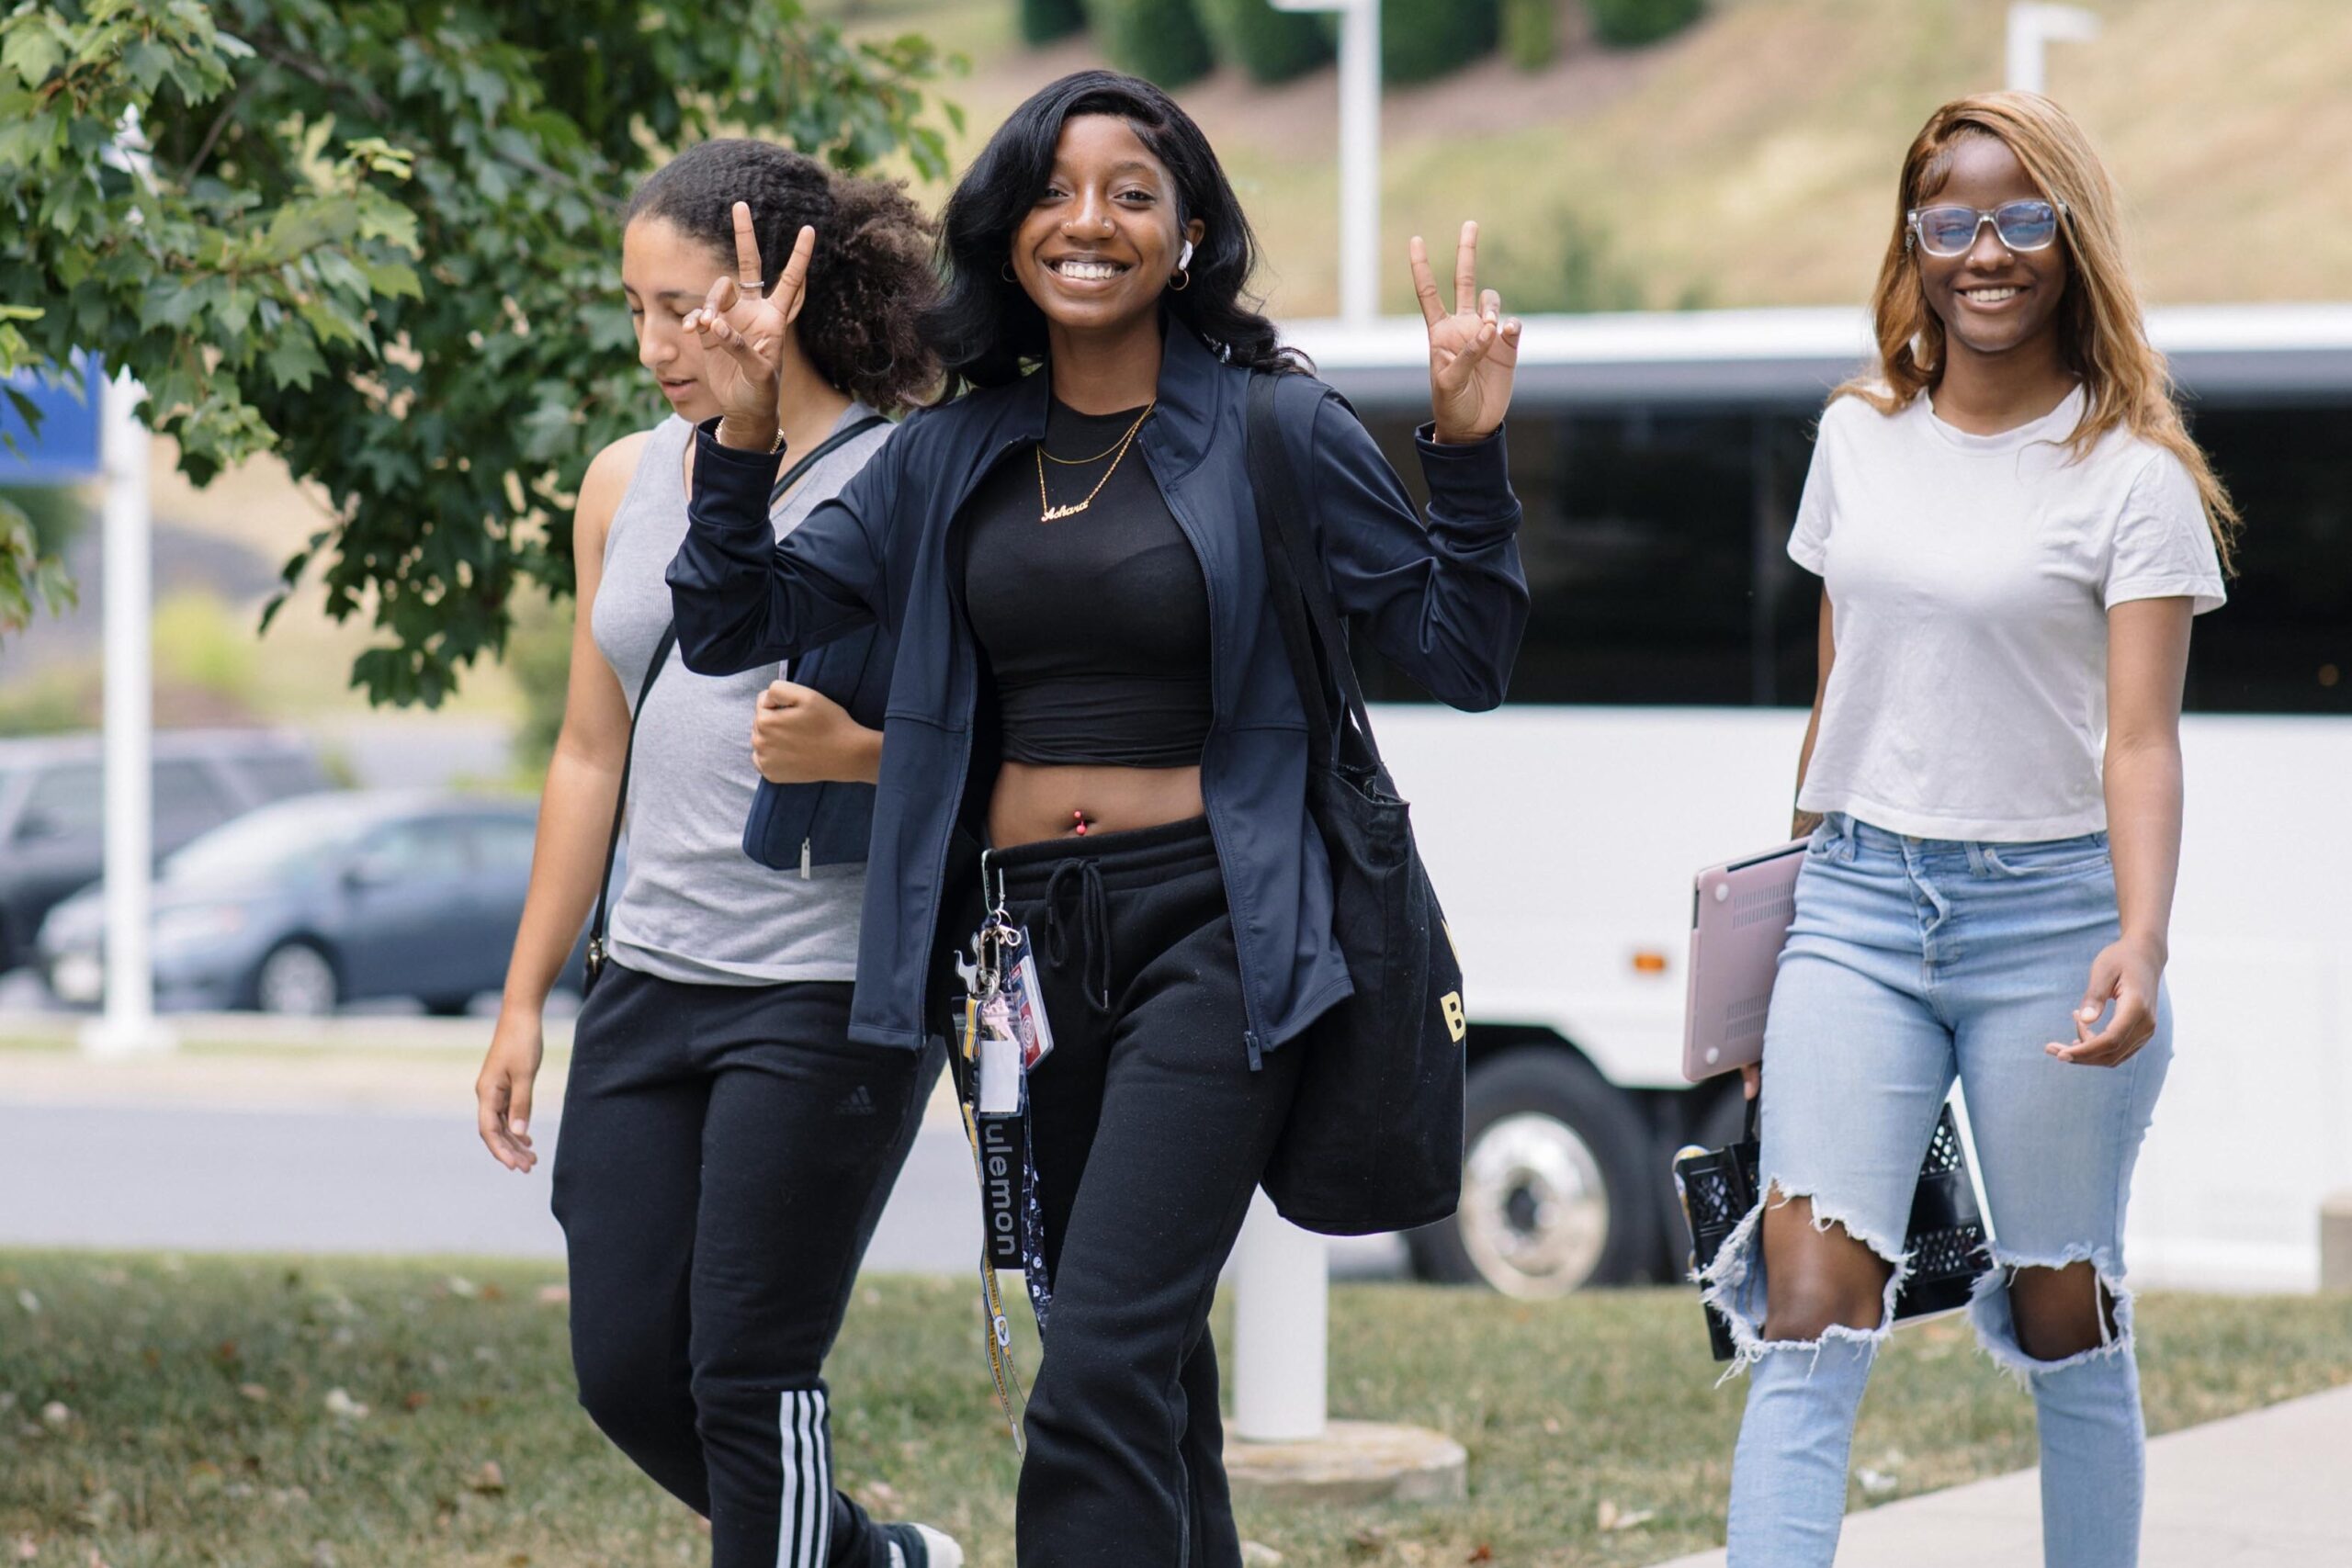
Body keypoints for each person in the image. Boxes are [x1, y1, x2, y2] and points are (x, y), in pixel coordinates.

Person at [664, 69, 1525, 1568]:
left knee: (1097, 1379)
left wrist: (1465, 449)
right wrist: (742, 447)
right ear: (1007, 235)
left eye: (1134, 193)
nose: (1091, 221)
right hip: (1019, 958)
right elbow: (737, 620)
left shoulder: (1276, 428)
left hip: (1219, 925)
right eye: (1057, 192)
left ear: (1187, 237)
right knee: (1152, 1373)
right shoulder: (944, 453)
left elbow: (1467, 654)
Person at [1702, 93, 2235, 1568]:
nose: (1984, 251)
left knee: (2067, 1309)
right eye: (1950, 221)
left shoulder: (2133, 474)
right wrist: (1770, 942)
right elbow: (1837, 700)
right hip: (1859, 912)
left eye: (2019, 219)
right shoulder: (1854, 440)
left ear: (2072, 238)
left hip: (2052, 926)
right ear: (1914, 243)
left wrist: (2141, 937)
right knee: (1808, 1305)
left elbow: (2140, 744)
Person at [472, 138, 961, 1568]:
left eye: (681, 306)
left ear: (778, 291)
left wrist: (864, 755)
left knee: (752, 1375)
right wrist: (523, 998)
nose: (657, 345)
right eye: (635, 308)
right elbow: (587, 751)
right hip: (650, 979)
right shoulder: (627, 480)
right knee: (626, 1369)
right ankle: (871, 1558)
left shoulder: (912, 474)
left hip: (822, 995)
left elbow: (997, 724)